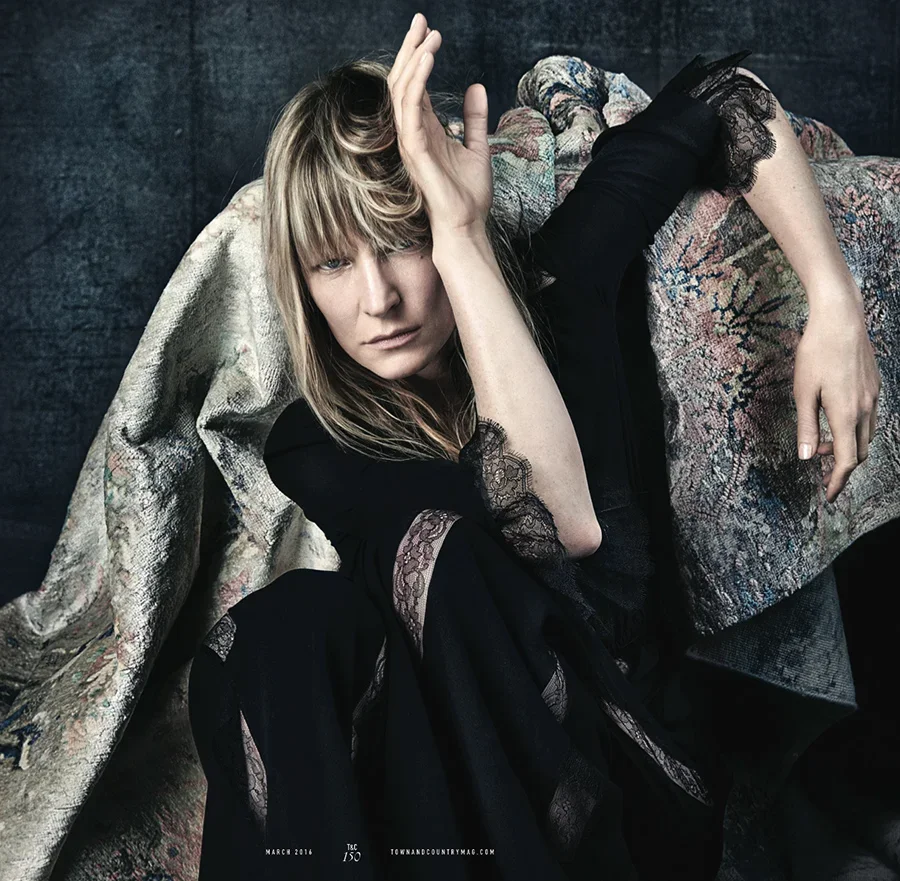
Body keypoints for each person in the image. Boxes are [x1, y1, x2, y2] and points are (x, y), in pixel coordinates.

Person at [187, 14, 881, 880]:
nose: (378, 298)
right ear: (300, 281)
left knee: (440, 554)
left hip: (629, 791)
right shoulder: (313, 442)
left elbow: (721, 96)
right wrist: (455, 239)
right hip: (449, 808)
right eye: (332, 263)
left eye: (403, 240)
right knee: (287, 626)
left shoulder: (565, 280)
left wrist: (834, 298)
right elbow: (529, 543)